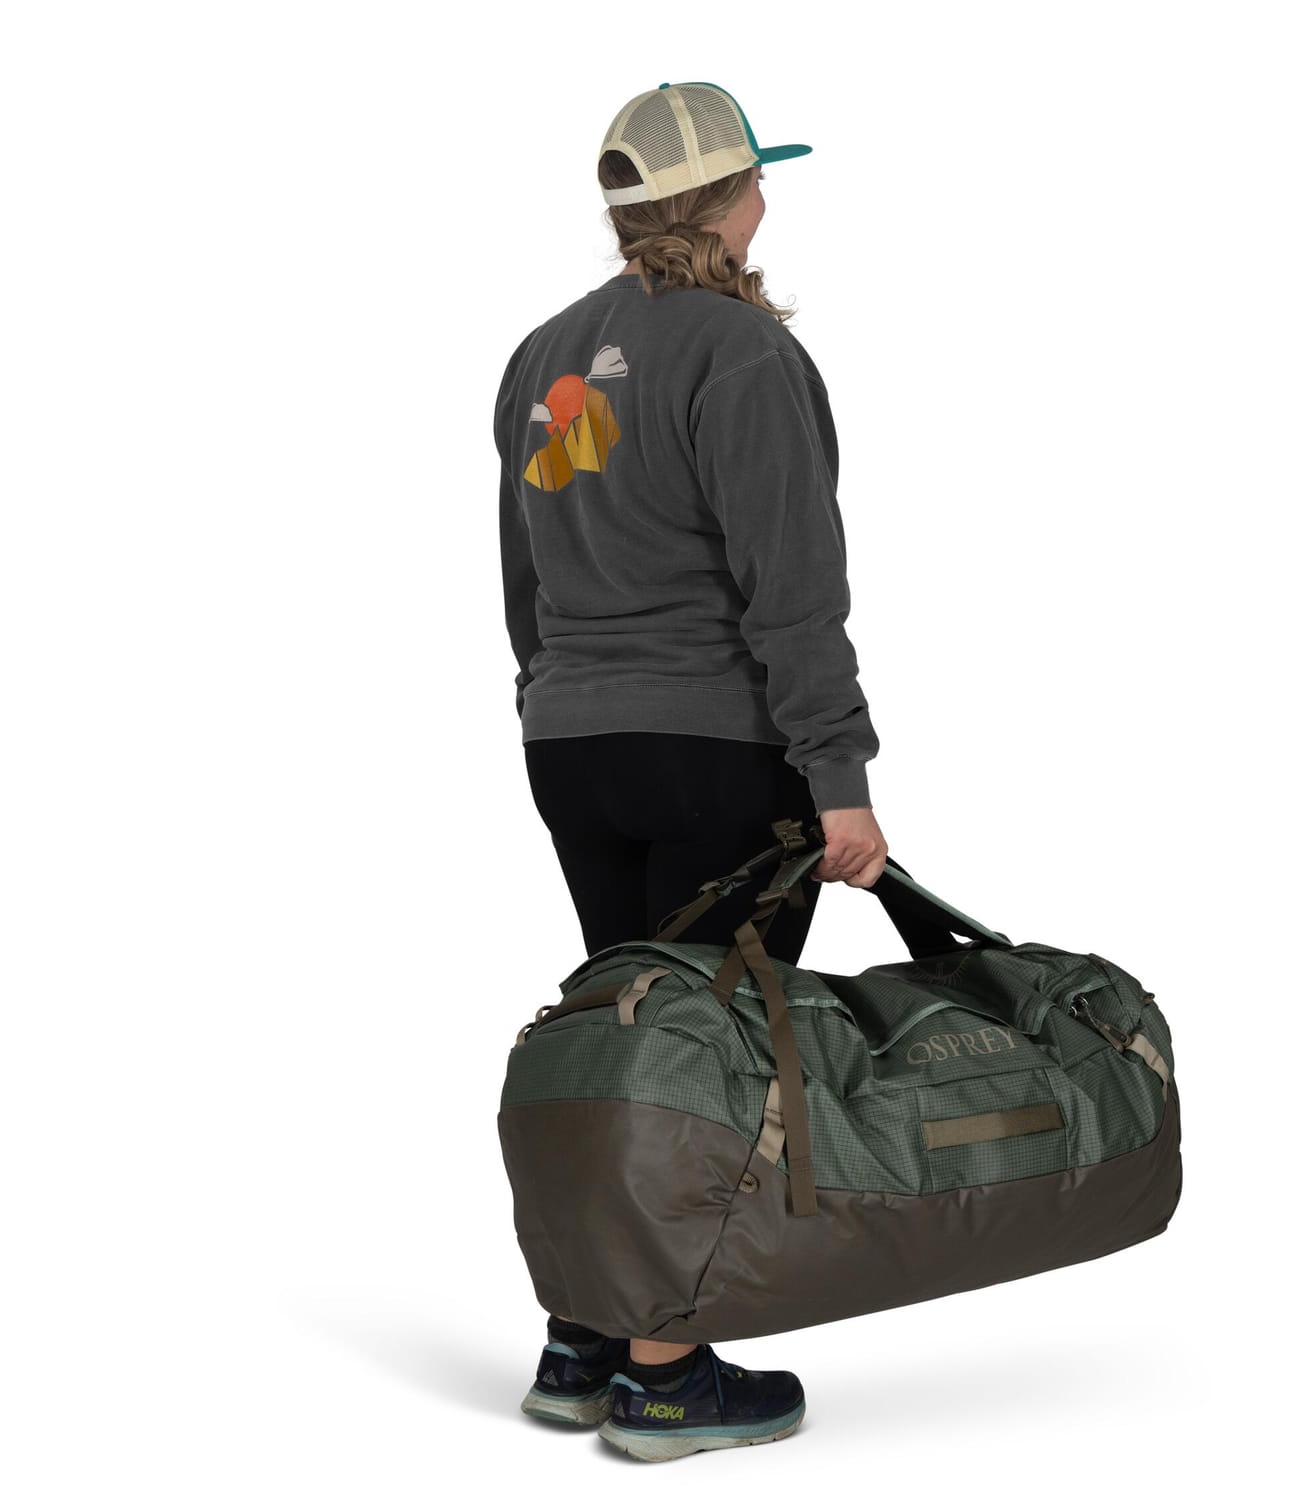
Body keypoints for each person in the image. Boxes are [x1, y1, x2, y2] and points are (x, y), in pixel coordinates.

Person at [494, 81, 887, 1461]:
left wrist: (554, 701)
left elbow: (524, 578)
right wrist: (838, 773)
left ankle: (585, 1339)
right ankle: (666, 1376)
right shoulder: (744, 355)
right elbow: (795, 591)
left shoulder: (544, 357)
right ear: (723, 200)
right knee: (708, 1055)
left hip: (576, 746)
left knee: (624, 1040)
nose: (766, 198)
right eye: (756, 179)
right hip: (718, 746)